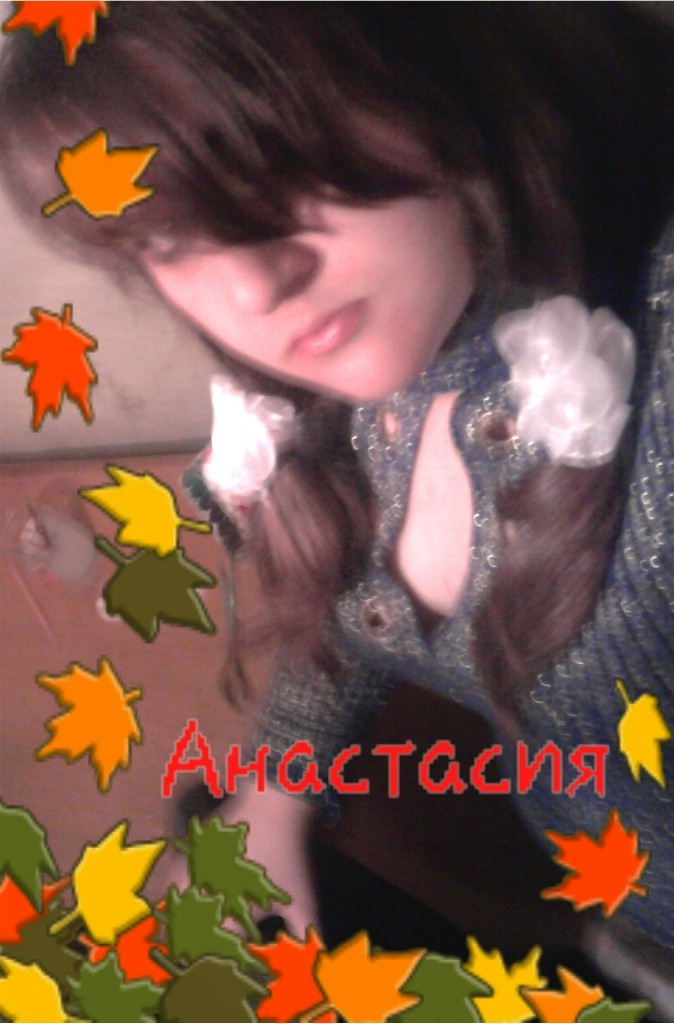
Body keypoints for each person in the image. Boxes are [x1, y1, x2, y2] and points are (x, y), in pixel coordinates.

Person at [1, 2, 673, 1008]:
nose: (255, 287)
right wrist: (276, 791)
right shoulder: (356, 385)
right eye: (168, 236)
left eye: (279, 161)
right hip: (614, 919)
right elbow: (352, 618)